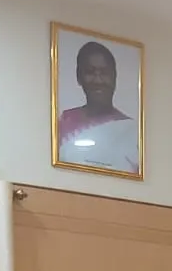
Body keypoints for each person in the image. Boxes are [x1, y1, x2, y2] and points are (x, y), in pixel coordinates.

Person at [57, 40, 140, 175]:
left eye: (104, 73)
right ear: (79, 77)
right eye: (90, 72)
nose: (98, 80)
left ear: (114, 77)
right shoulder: (64, 122)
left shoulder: (132, 131)